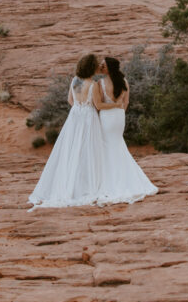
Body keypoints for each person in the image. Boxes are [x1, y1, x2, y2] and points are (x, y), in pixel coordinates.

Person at [28, 53, 105, 208]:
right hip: (89, 117)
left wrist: (79, 107)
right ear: (92, 68)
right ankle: (86, 185)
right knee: (88, 149)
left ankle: (69, 183)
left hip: (75, 116)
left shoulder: (74, 81)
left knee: (71, 149)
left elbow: (70, 100)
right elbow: (97, 105)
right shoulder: (93, 84)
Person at [93, 56, 158, 205]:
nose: (101, 67)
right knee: (118, 145)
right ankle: (127, 178)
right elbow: (126, 102)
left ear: (109, 67)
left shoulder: (100, 83)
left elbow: (99, 105)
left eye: (103, 65)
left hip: (107, 116)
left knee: (107, 147)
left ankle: (109, 180)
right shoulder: (124, 82)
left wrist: (107, 113)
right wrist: (119, 112)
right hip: (119, 117)